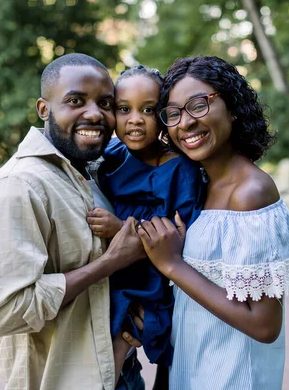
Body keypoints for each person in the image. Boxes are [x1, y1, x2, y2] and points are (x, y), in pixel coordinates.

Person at [0, 53, 146, 390]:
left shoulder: (88, 173)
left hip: (120, 372)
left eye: (106, 103)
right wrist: (109, 263)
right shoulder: (17, 187)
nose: (95, 113)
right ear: (44, 109)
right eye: (76, 101)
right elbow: (1, 313)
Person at [136, 56, 289, 389]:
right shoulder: (202, 185)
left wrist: (172, 265)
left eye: (198, 105)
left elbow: (264, 326)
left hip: (231, 375)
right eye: (173, 114)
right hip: (193, 364)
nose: (185, 123)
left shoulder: (250, 193)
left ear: (233, 107)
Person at [85, 65, 205, 382]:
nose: (135, 119)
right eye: (124, 109)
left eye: (148, 110)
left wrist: (119, 228)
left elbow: (177, 238)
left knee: (112, 361)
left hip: (150, 278)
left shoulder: (181, 170)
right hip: (108, 273)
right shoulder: (110, 156)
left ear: (163, 114)